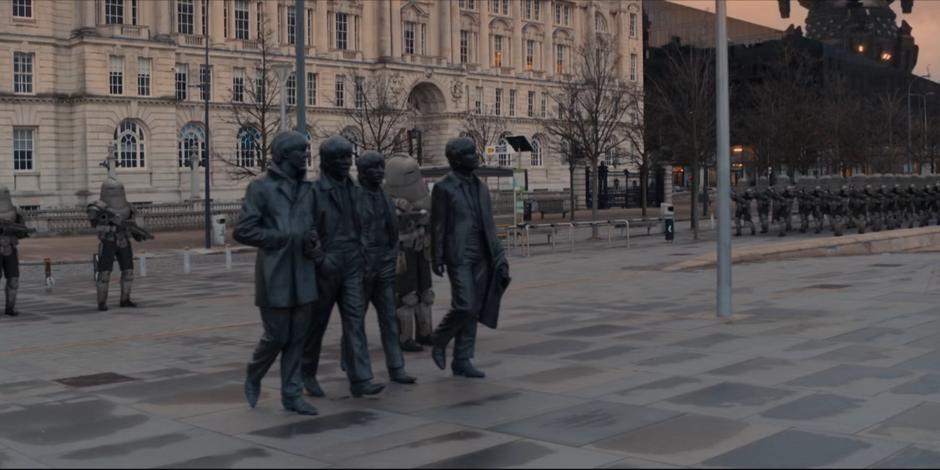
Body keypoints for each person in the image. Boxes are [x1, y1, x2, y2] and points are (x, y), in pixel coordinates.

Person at [234, 130, 319, 415]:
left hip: (304, 271)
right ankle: (254, 372)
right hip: (276, 272)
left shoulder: (309, 189)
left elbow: (315, 227)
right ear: (284, 155)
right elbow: (243, 229)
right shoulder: (261, 188)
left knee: (298, 338)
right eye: (301, 151)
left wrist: (313, 241)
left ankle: (292, 395)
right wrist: (279, 237)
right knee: (277, 336)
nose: (306, 156)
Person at [303, 135, 385, 398]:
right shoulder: (314, 192)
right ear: (325, 161)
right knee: (317, 325)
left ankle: (360, 379)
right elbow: (308, 230)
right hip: (327, 266)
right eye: (338, 158)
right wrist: (320, 259)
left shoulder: (356, 190)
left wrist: (361, 251)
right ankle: (306, 374)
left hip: (352, 265)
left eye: (347, 157)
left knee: (354, 323)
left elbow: (365, 225)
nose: (344, 162)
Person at [429, 137, 510, 378]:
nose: (475, 157)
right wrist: (437, 256)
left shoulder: (481, 186)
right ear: (456, 159)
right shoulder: (444, 187)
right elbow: (438, 226)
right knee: (464, 304)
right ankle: (439, 338)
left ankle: (462, 359)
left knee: (474, 308)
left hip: (483, 254)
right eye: (470, 154)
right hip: (459, 253)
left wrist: (500, 255)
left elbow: (490, 224)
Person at [350, 151, 416, 385]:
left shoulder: (385, 197)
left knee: (389, 319)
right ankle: (353, 365)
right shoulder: (354, 197)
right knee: (356, 321)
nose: (379, 172)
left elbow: (392, 231)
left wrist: (390, 256)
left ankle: (397, 368)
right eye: (374, 168)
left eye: (381, 168)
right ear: (362, 172)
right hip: (361, 268)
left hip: (384, 267)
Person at [385, 154, 434, 352]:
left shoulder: (421, 194)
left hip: (421, 247)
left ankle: (425, 332)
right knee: (406, 295)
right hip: (402, 251)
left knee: (426, 292)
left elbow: (430, 216)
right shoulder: (388, 198)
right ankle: (404, 337)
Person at [87, 176, 153, 311]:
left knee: (128, 272)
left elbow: (135, 226)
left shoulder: (129, 208)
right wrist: (112, 227)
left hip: (124, 241)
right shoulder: (97, 207)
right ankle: (102, 302)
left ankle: (125, 299)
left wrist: (138, 234)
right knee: (104, 273)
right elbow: (95, 225)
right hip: (108, 241)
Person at [0, 186, 30, 317]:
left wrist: (16, 230)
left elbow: (23, 232)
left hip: (11, 248)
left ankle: (10, 307)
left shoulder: (16, 212)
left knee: (13, 280)